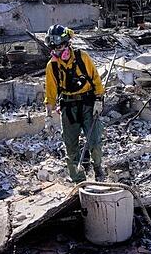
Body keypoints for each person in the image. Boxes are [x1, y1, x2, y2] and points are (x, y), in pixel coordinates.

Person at [43, 25, 105, 182]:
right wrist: (48, 116)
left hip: (88, 104)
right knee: (70, 146)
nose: (57, 52)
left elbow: (96, 79)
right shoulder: (52, 66)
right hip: (68, 107)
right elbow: (50, 94)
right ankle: (79, 181)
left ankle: (98, 168)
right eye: (54, 49)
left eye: (59, 47)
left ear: (67, 44)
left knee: (94, 141)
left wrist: (99, 100)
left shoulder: (82, 57)